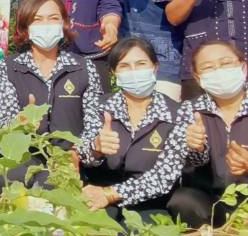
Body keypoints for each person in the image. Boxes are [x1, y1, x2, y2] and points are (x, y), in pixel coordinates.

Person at [164, 40, 248, 229]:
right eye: (208, 67)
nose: (218, 71)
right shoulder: (189, 110)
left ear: (243, 67)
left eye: (226, 63)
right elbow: (181, 167)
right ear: (197, 77)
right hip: (211, 203)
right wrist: (196, 147)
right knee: (183, 200)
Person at [0, 0, 104, 186]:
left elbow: (94, 123)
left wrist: (76, 154)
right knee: (14, 180)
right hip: (24, 157)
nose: (46, 25)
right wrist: (25, 122)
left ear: (64, 24)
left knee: (56, 186)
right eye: (38, 20)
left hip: (70, 158)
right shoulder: (8, 68)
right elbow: (7, 123)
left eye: (53, 18)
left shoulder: (84, 68)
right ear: (25, 28)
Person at [78, 38, 182, 221]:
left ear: (155, 67)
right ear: (114, 72)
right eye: (124, 66)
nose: (134, 71)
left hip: (149, 203)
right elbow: (83, 156)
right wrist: (95, 149)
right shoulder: (99, 107)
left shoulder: (176, 113)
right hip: (97, 195)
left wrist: (110, 193)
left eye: (141, 64)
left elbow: (164, 177)